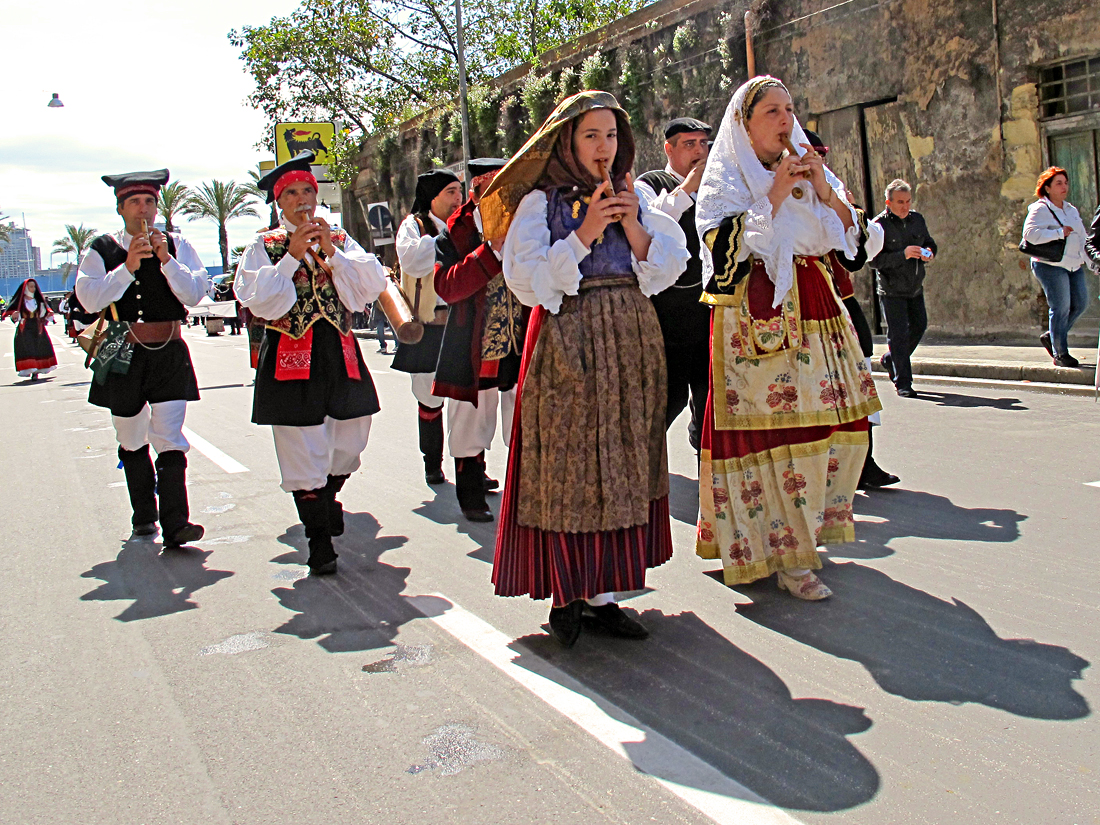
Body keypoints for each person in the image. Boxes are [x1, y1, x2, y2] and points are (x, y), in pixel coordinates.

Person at [481, 90, 689, 646]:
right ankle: (567, 593)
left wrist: (631, 224)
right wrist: (586, 231)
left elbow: (665, 267)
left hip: (630, 334)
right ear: (568, 141)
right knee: (572, 464)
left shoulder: (636, 194)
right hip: (568, 336)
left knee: (621, 458)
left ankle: (607, 594)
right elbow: (527, 283)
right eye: (591, 135)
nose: (604, 147)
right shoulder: (540, 204)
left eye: (612, 135)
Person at [694, 76, 881, 600]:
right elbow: (719, 249)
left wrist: (824, 192)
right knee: (777, 434)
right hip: (759, 313)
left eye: (789, 109)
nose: (784, 120)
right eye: (771, 111)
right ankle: (783, 552)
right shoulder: (728, 179)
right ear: (744, 125)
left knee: (831, 426)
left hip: (816, 303)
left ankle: (803, 539)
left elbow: (855, 240)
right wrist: (772, 196)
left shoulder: (808, 166)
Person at [236, 151, 388, 575]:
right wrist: (290, 256)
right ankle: (319, 542)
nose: (302, 200)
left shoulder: (337, 238)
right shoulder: (262, 246)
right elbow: (260, 301)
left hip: (338, 349)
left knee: (352, 438)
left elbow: (370, 285)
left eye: (308, 191)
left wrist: (331, 254)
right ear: (279, 203)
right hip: (290, 352)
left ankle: (326, 496)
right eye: (293, 194)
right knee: (301, 446)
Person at [76, 169, 208, 546]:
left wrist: (167, 261)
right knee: (132, 436)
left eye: (149, 201)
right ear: (120, 209)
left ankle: (176, 522)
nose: (143, 210)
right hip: (123, 351)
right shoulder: (102, 249)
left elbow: (196, 294)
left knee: (168, 434)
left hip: (169, 350)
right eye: (135, 202)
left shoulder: (177, 245)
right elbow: (88, 300)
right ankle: (143, 515)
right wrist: (127, 268)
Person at [802, 130, 899, 491]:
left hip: (840, 305)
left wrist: (842, 210)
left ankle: (864, 463)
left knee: (857, 385)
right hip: (798, 310)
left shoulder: (833, 194)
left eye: (819, 154)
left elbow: (858, 252)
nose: (815, 161)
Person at [432, 157, 526, 522]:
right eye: (491, 187)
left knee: (524, 422)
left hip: (522, 343)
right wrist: (491, 251)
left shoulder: (528, 222)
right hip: (476, 344)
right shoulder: (454, 235)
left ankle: (525, 494)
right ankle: (471, 496)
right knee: (470, 422)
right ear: (476, 192)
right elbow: (448, 286)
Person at [635, 117, 712, 455]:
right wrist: (687, 190)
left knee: (711, 392)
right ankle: (640, 457)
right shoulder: (650, 182)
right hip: (668, 312)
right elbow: (649, 223)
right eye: (689, 144)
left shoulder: (717, 186)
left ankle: (705, 452)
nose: (699, 151)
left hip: (707, 304)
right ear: (669, 148)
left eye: (703, 144)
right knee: (671, 393)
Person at [394, 169, 464, 485]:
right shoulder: (414, 226)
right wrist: (447, 234)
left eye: (460, 192)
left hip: (464, 322)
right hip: (430, 325)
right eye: (451, 192)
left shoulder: (468, 224)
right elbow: (412, 260)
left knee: (468, 399)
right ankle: (432, 463)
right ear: (433, 197)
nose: (458, 198)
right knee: (429, 397)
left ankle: (472, 470)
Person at [1022, 167, 1095, 368]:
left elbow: (1083, 238)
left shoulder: (1070, 209)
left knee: (1080, 303)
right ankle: (1061, 354)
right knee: (1060, 307)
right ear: (1047, 188)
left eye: (1065, 182)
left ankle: (1051, 337)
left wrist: (1092, 262)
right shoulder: (1040, 209)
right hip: (1049, 265)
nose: (1064, 187)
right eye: (1058, 183)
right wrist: (1058, 233)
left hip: (1073, 264)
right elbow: (1029, 235)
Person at [870, 179, 937, 398]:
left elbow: (929, 242)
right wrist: (903, 254)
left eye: (908, 201)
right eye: (900, 202)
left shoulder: (917, 219)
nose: (905, 206)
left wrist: (929, 251)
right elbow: (874, 261)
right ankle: (903, 383)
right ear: (888, 202)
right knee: (897, 336)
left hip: (915, 286)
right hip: (891, 290)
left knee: (919, 326)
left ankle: (892, 360)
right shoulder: (879, 225)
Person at [3, 278, 57, 380]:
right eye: (31, 287)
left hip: (37, 327)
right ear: (26, 288)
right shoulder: (21, 302)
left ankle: (36, 371)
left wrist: (48, 314)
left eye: (34, 286)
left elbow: (43, 314)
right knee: (28, 348)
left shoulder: (38, 301)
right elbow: (15, 317)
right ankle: (31, 368)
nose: (33, 289)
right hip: (25, 328)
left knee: (39, 347)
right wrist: (15, 316)